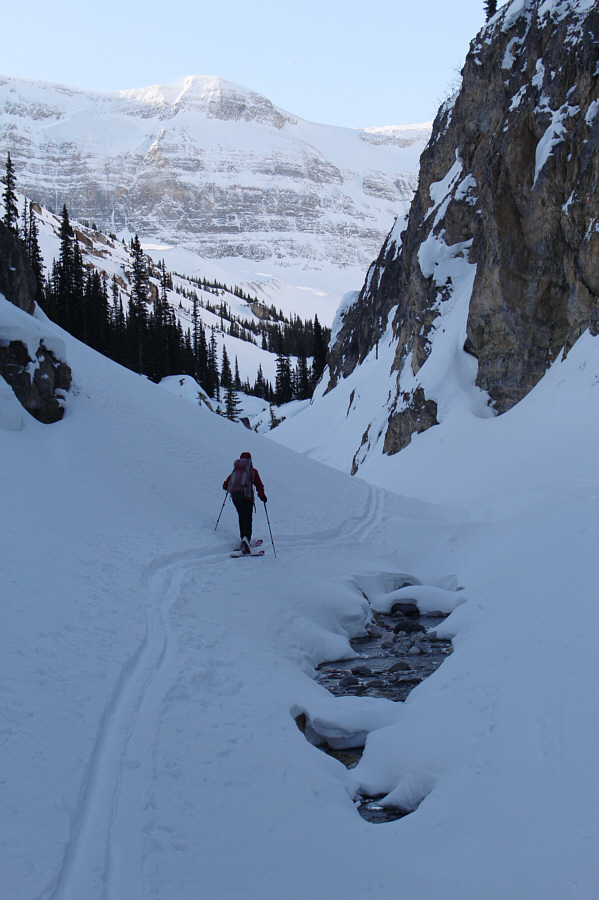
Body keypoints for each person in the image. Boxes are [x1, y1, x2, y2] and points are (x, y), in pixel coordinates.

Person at [223, 452, 267, 554]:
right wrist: (262, 496)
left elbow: (225, 485)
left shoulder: (235, 471)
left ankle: (243, 538)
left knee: (241, 517)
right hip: (247, 498)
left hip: (235, 498)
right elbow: (259, 486)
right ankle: (246, 539)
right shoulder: (252, 472)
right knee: (247, 518)